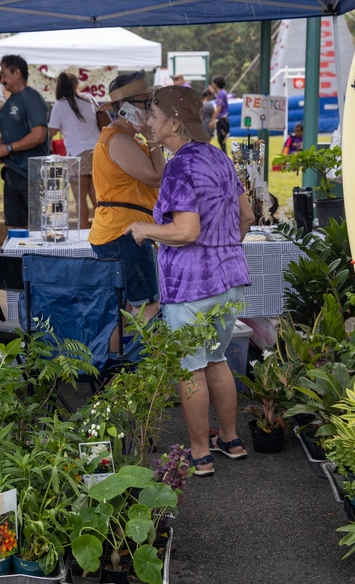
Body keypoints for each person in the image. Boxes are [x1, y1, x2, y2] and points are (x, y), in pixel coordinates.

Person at [126, 85, 254, 478]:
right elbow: (246, 215)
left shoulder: (179, 165)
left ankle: (200, 453)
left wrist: (145, 229)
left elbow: (185, 230)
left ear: (174, 124)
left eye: (154, 115)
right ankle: (230, 440)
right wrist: (224, 248)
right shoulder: (218, 157)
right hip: (228, 279)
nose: (148, 121)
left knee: (191, 369)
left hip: (191, 285)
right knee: (216, 359)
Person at [89, 71, 166, 325]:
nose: (151, 108)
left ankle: (114, 361)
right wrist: (153, 137)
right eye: (146, 103)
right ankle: (149, 362)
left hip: (120, 232)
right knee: (148, 307)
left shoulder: (125, 138)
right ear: (126, 108)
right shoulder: (118, 139)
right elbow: (157, 175)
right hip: (124, 234)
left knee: (122, 309)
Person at [0, 54, 49, 228]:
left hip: (31, 175)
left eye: (4, 74)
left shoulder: (31, 98)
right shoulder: (9, 101)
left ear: (17, 73)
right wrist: (0, 148)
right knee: (14, 227)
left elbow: (39, 135)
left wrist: (9, 147)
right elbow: (11, 131)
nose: (2, 80)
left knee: (36, 228)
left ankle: (33, 256)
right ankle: (17, 256)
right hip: (11, 173)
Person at [48, 72, 103, 228]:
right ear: (76, 85)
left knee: (81, 199)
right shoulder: (89, 99)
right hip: (97, 152)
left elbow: (52, 131)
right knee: (97, 198)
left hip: (77, 154)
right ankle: (103, 230)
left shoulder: (59, 106)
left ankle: (83, 233)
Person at [209, 75, 230, 154]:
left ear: (216, 84)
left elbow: (219, 107)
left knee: (222, 141)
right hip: (223, 119)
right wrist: (214, 93)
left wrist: (212, 120)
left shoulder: (221, 94)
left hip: (222, 120)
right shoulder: (221, 93)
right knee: (221, 141)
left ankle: (225, 158)